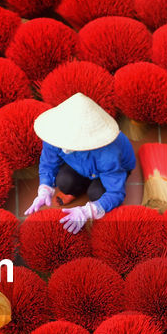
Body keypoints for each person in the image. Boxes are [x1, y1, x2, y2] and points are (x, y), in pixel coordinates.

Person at [24, 92, 137, 233]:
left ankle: (99, 201)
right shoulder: (54, 135)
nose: (62, 147)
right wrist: (44, 190)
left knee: (97, 193)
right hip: (81, 166)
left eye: (69, 142)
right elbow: (48, 164)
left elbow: (115, 192)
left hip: (111, 170)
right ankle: (75, 191)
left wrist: (88, 211)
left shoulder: (108, 154)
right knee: (64, 181)